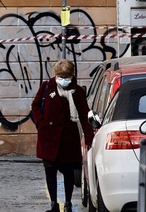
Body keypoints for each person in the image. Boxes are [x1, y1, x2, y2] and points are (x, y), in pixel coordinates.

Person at [31, 59, 94, 212]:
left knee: (69, 172)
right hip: (49, 137)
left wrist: (88, 136)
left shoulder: (77, 91)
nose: (63, 79)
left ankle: (67, 202)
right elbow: (35, 106)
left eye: (66, 76)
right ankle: (53, 203)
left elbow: (84, 115)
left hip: (68, 138)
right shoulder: (47, 87)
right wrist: (41, 123)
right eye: (60, 76)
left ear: (72, 75)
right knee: (50, 170)